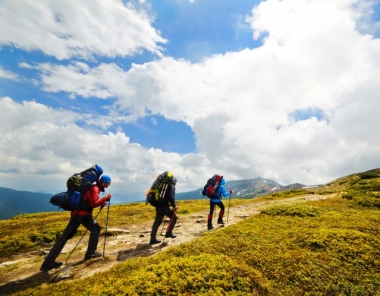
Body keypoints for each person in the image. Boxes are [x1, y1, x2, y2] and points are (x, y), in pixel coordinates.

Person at [40, 175, 112, 271]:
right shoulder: (94, 188)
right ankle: (90, 253)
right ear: (105, 182)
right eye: (109, 182)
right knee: (96, 229)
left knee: (64, 237)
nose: (109, 184)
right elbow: (93, 203)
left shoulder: (93, 187)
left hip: (76, 214)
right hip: (82, 215)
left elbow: (89, 201)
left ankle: (48, 263)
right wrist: (105, 198)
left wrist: (101, 202)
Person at [149, 175, 178, 245]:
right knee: (174, 217)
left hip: (158, 206)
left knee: (157, 222)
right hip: (165, 206)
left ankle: (152, 239)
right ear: (174, 181)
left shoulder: (163, 185)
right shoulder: (171, 185)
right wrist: (174, 205)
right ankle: (169, 232)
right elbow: (171, 197)